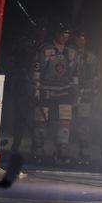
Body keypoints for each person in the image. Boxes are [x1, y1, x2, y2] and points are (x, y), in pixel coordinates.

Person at [32, 24, 78, 165]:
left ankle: (61, 151)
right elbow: (36, 69)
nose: (65, 36)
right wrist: (36, 90)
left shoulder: (71, 52)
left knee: (65, 122)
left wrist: (75, 91)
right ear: (57, 33)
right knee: (41, 121)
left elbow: (76, 73)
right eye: (62, 33)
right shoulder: (45, 49)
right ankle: (38, 150)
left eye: (67, 33)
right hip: (46, 89)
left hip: (64, 91)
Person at [71, 30, 100, 165]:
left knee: (83, 123)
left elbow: (96, 75)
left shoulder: (91, 57)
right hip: (68, 93)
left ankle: (83, 151)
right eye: (78, 38)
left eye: (83, 38)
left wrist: (94, 90)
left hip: (85, 94)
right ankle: (62, 151)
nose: (80, 41)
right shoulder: (68, 53)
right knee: (65, 123)